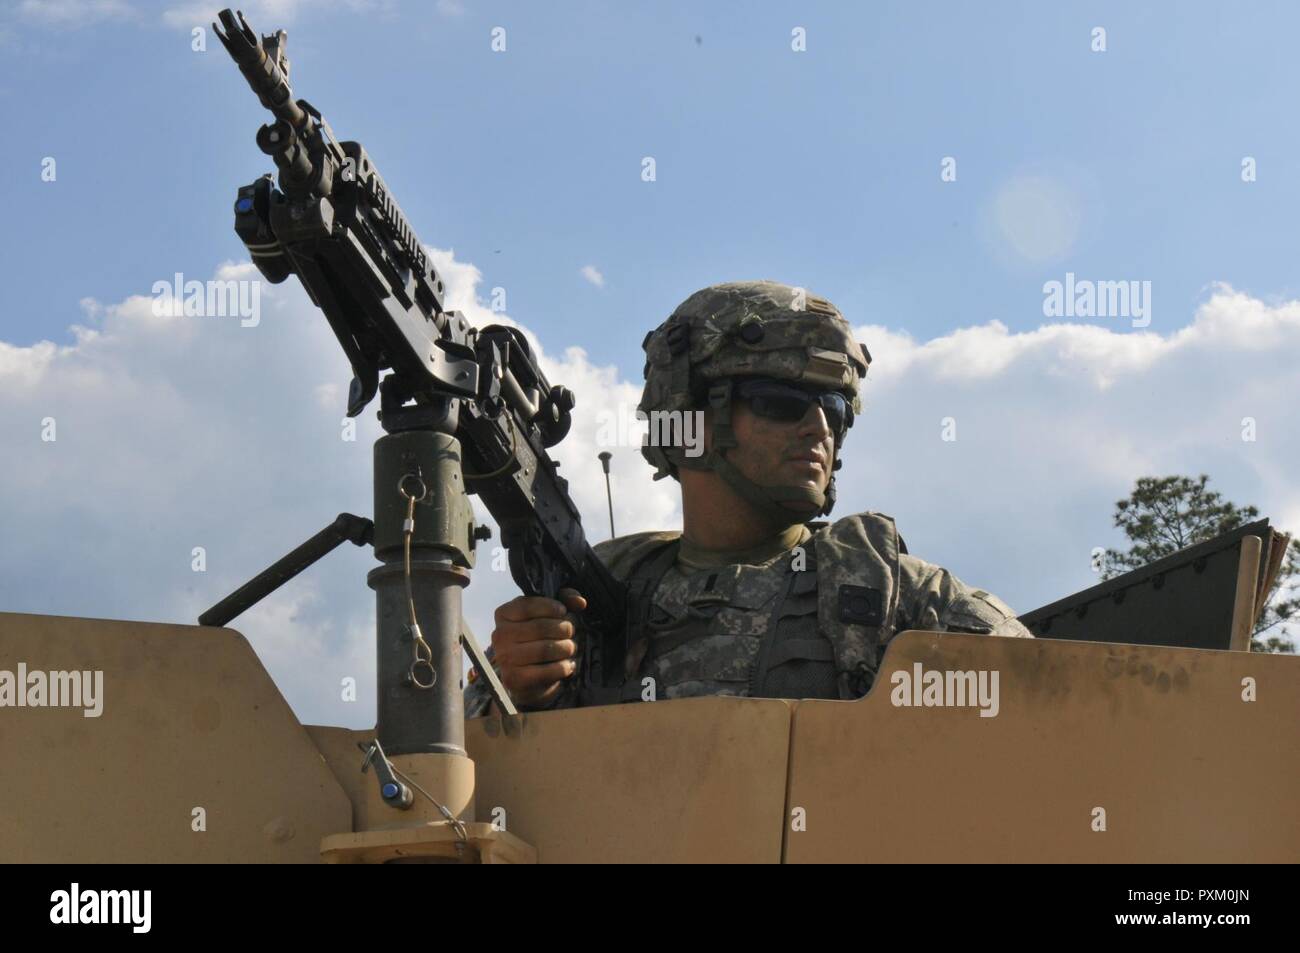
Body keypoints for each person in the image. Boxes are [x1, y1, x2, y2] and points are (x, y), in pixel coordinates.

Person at [465, 280, 1031, 716]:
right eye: (781, 403)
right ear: (691, 421)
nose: (819, 429)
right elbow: (453, 784)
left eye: (834, 410)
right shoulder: (590, 601)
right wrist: (512, 691)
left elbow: (1051, 710)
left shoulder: (893, 595)